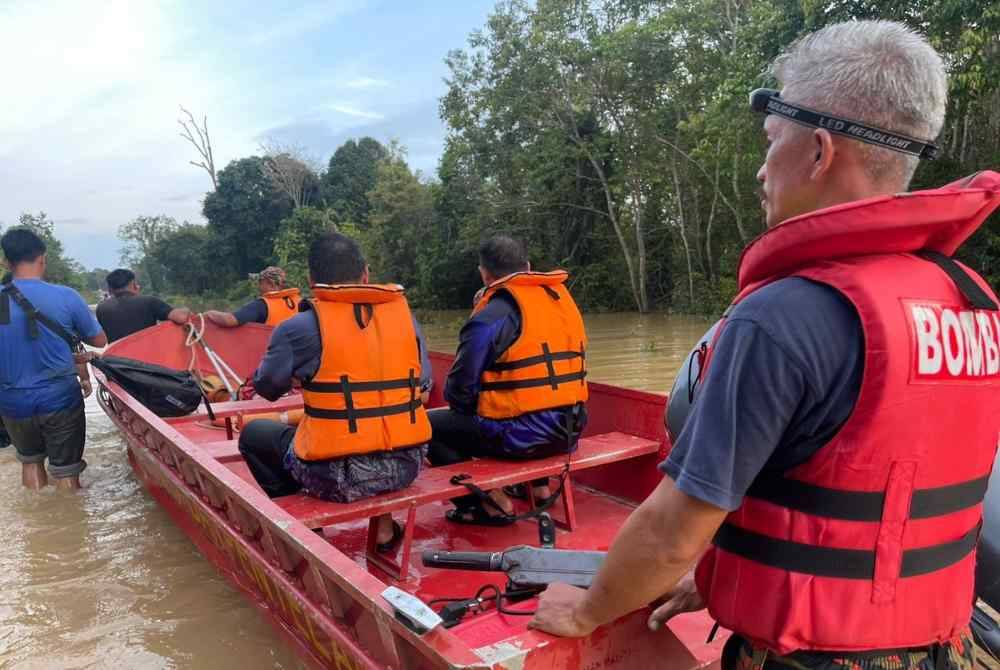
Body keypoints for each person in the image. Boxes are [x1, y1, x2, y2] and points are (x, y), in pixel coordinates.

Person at [530, 21, 1000, 670]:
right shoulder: (970, 299)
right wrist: (730, 575)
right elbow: (881, 490)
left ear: (818, 152)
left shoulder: (785, 315)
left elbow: (671, 534)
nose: (760, 167)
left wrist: (584, 611)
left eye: (769, 141)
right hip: (945, 645)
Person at [237, 233, 433, 551]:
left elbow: (267, 388)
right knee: (376, 427)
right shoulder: (405, 319)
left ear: (312, 281)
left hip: (336, 477)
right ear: (366, 274)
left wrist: (303, 375)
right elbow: (424, 385)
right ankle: (384, 528)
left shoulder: (296, 328)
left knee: (256, 435)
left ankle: (307, 536)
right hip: (408, 465)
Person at [426, 235, 588, 526]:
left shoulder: (489, 317)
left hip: (521, 439)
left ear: (483, 274)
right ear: (528, 266)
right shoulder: (561, 302)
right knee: (533, 406)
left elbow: (457, 393)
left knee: (428, 427)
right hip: (570, 430)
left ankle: (490, 505)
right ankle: (539, 489)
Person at [0, 229, 108, 490]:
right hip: (59, 397)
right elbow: (100, 341)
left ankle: (39, 519)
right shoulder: (65, 296)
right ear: (42, 258)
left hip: (12, 399)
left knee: (30, 461)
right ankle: (69, 522)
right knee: (66, 470)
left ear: (6, 261)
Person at [95, 268, 190, 343]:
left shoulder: (101, 308)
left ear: (110, 289)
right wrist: (186, 310)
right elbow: (180, 318)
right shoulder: (149, 301)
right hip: (147, 359)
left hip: (116, 361)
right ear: (134, 284)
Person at [205, 266, 300, 328]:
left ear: (271, 284)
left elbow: (229, 320)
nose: (258, 287)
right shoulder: (300, 302)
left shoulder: (262, 305)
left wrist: (209, 313)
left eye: (260, 282)